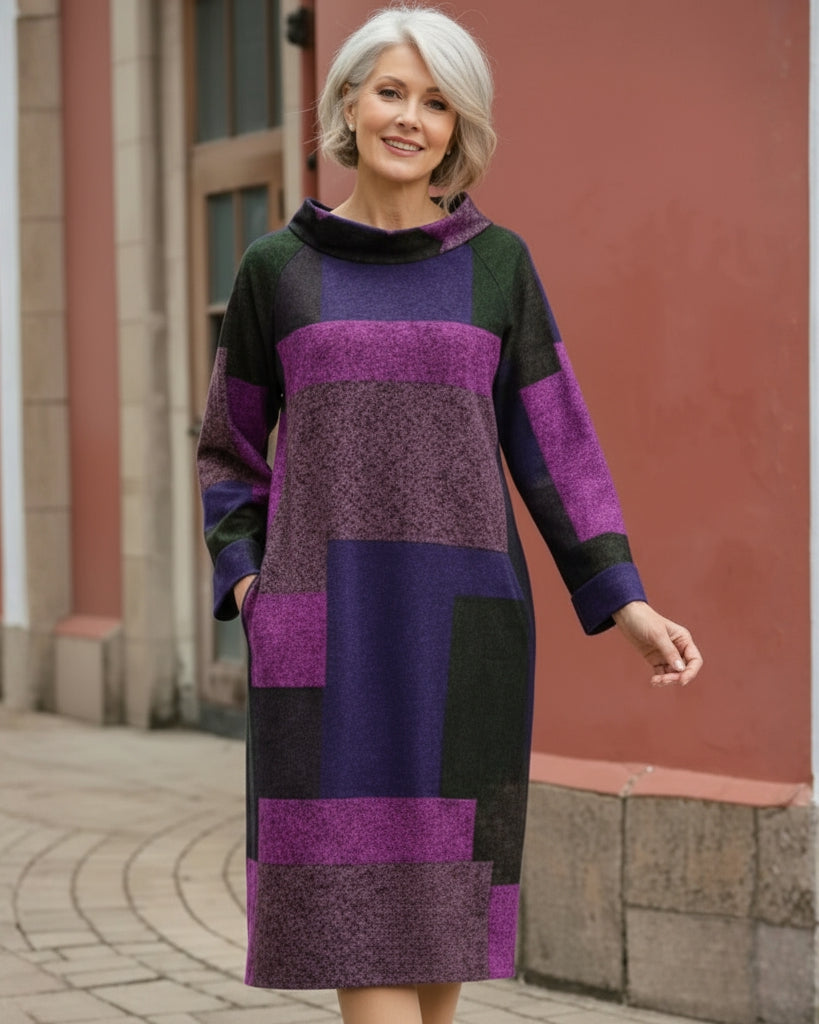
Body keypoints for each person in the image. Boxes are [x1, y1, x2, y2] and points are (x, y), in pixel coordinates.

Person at [196, 5, 703, 1023]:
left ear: (458, 127)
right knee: (354, 922)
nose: (410, 118)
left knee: (440, 929)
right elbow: (229, 451)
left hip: (465, 631)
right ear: (347, 102)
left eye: (436, 102)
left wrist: (624, 598)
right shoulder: (277, 270)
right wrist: (254, 588)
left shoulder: (496, 264)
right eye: (391, 91)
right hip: (327, 632)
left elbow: (556, 442)